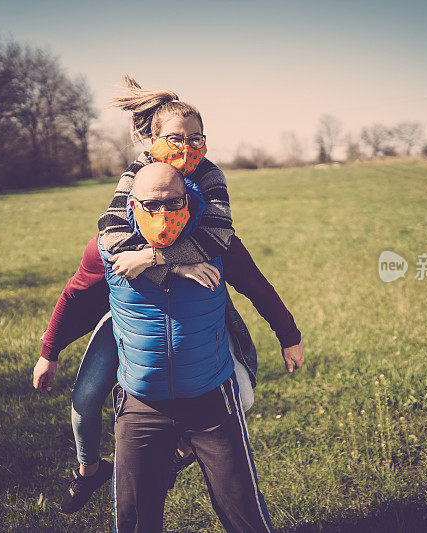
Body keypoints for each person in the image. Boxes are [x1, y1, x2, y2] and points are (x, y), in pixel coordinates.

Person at [32, 76, 305, 514]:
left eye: (196, 138)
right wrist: (50, 350)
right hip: (131, 316)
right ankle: (87, 469)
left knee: (243, 397)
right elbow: (97, 263)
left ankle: (180, 452)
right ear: (151, 141)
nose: (187, 148)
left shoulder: (209, 185)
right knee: (85, 398)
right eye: (176, 139)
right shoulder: (133, 185)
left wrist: (162, 260)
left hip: (195, 317)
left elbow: (238, 260)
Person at [105, 162, 274, 532]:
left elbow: (258, 287)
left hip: (211, 397)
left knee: (242, 508)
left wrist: (289, 336)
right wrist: (48, 352)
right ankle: (88, 469)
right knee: (134, 517)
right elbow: (76, 298)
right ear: (132, 205)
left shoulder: (216, 243)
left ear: (188, 201)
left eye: (173, 203)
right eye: (152, 204)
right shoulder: (109, 249)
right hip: (140, 403)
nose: (163, 213)